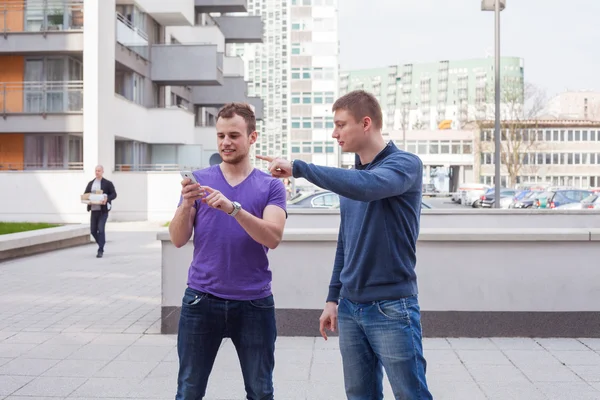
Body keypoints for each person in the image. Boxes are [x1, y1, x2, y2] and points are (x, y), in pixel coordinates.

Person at [257, 90, 433, 400]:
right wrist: (332, 298)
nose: (334, 133)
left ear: (366, 123)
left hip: (392, 306)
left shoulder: (405, 165)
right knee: (359, 395)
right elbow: (345, 243)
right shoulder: (352, 176)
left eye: (340, 125)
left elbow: (368, 187)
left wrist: (299, 167)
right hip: (351, 308)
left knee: (412, 394)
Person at [168, 102, 287, 400]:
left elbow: (272, 237)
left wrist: (233, 209)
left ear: (252, 137)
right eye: (221, 136)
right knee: (189, 391)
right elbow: (177, 239)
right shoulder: (199, 180)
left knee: (261, 392)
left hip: (254, 303)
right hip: (200, 299)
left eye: (234, 135)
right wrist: (185, 205)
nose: (225, 142)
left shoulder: (271, 185)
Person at [83, 165, 117, 258]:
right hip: (94, 210)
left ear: (102, 171)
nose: (97, 172)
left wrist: (107, 198)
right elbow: (86, 194)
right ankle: (101, 243)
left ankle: (100, 249)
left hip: (103, 211)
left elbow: (114, 194)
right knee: (93, 231)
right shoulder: (91, 183)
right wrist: (87, 200)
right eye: (96, 171)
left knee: (101, 229)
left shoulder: (107, 183)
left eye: (99, 171)